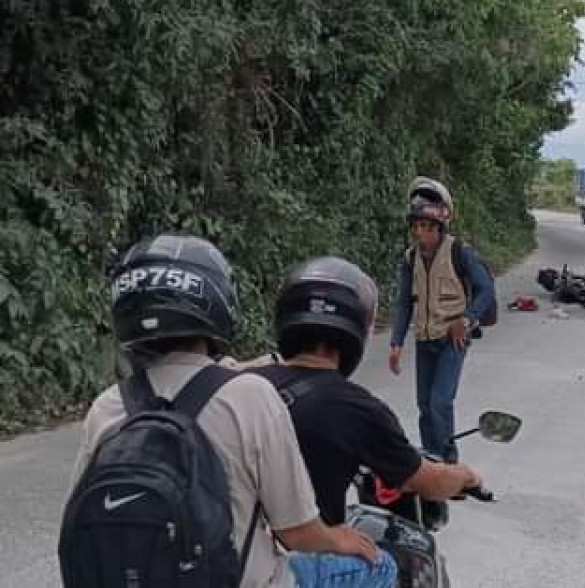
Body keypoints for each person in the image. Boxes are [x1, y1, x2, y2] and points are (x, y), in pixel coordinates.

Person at [63, 234, 394, 588]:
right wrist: (340, 538)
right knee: (382, 565)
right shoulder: (248, 395)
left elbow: (75, 521)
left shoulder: (108, 405)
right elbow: (297, 532)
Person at [247, 256, 484, 530]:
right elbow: (430, 482)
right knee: (395, 560)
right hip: (302, 559)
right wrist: (466, 476)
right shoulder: (357, 408)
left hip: (231, 557)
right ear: (357, 327)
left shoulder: (238, 385)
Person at [388, 176, 495, 463]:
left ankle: (449, 460)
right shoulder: (411, 258)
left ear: (440, 226)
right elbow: (403, 302)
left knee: (440, 402)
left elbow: (486, 289)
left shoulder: (460, 252)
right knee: (424, 404)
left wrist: (467, 319)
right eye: (417, 227)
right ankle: (431, 458)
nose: (421, 233)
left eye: (427, 227)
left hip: (452, 339)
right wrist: (396, 342)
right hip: (424, 340)